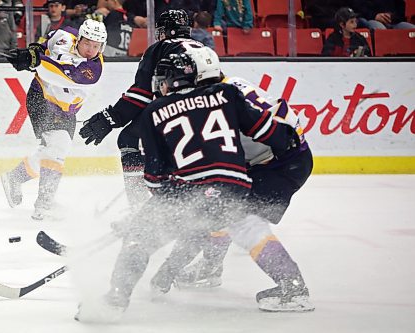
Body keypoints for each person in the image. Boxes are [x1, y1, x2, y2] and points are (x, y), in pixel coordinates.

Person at [75, 51, 302, 322]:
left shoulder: (152, 112)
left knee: (139, 237)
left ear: (167, 83)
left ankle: (114, 300)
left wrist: (150, 213)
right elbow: (264, 129)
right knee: (248, 227)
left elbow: (155, 178)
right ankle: (294, 288)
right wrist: (286, 138)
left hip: (190, 191)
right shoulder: (226, 94)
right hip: (233, 187)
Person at [147, 46, 314, 312]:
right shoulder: (229, 86)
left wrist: (167, 270)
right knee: (220, 208)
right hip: (282, 157)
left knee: (237, 217)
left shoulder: (213, 103)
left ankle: (292, 288)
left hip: (277, 165)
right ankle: (210, 269)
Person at [78, 9, 205, 212]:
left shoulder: (160, 48)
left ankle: (138, 209)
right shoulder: (204, 48)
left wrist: (110, 118)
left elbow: (142, 93)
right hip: (210, 114)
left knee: (129, 139)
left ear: (166, 31)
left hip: (177, 112)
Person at [1, 19, 107, 220]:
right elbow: (45, 46)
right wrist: (32, 52)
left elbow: (59, 74)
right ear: (78, 39)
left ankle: (14, 178)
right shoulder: (64, 35)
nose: (90, 50)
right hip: (41, 97)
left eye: (96, 46)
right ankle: (44, 204)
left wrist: (36, 61)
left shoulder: (93, 70)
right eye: (87, 43)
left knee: (53, 150)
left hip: (66, 110)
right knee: (57, 148)